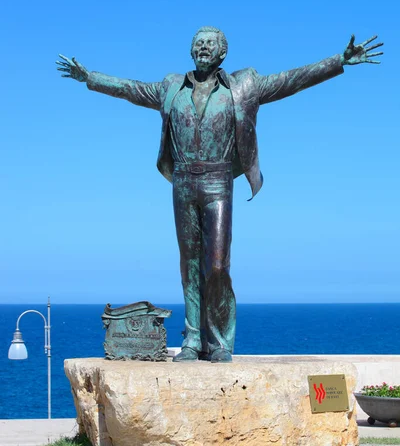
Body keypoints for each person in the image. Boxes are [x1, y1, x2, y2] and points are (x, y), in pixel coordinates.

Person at [56, 27, 383, 362]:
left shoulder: (243, 86)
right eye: (197, 42)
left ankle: (220, 341)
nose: (202, 47)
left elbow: (291, 80)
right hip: (182, 182)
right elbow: (131, 89)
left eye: (209, 43)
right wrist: (89, 77)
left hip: (218, 182)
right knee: (189, 265)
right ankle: (194, 340)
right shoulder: (171, 87)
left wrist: (338, 61)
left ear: (222, 52)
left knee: (216, 266)